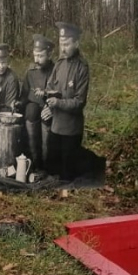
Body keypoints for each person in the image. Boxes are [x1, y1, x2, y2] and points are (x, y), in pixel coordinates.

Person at [43, 21, 90, 180]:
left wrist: (58, 103)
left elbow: (79, 102)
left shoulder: (82, 67)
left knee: (67, 174)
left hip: (71, 129)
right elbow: (50, 85)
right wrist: (48, 101)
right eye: (61, 44)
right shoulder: (59, 63)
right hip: (56, 126)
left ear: (76, 43)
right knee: (51, 168)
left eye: (67, 44)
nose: (63, 48)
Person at [20, 34, 54, 170]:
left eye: (40, 56)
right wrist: (18, 103)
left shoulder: (56, 70)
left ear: (50, 54)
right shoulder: (31, 71)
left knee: (47, 118)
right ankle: (34, 161)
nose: (37, 60)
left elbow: (63, 95)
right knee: (31, 110)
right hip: (34, 110)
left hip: (52, 109)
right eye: (35, 55)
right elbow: (24, 94)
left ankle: (47, 164)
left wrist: (53, 108)